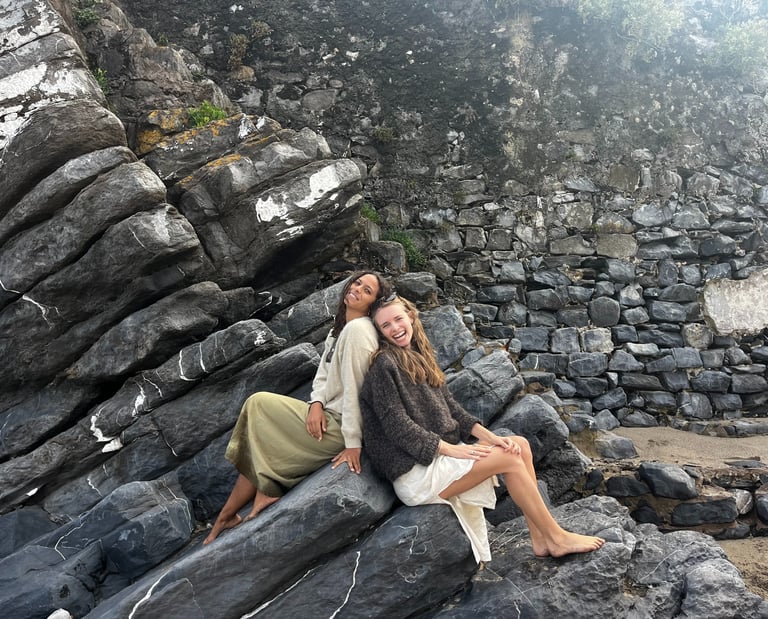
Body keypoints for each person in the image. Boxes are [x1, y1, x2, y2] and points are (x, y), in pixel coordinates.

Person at [360, 295, 605, 562]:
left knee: (519, 445)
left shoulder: (419, 355)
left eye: (398, 319)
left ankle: (540, 538)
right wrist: (455, 450)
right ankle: (557, 538)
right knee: (510, 459)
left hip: (438, 459)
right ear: (380, 332)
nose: (395, 328)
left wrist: (491, 438)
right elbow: (398, 427)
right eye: (386, 325)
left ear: (411, 317)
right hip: (417, 473)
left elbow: (453, 410)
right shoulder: (384, 365)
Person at [203, 270, 392, 544]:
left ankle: (255, 497)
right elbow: (323, 376)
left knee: (258, 404)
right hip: (326, 414)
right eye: (358, 282)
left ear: (373, 304)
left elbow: (357, 390)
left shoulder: (358, 331)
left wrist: (353, 443)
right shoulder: (340, 328)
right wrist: (315, 403)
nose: (357, 289)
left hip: (339, 427)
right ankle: (228, 515)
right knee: (259, 434)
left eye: (367, 291)